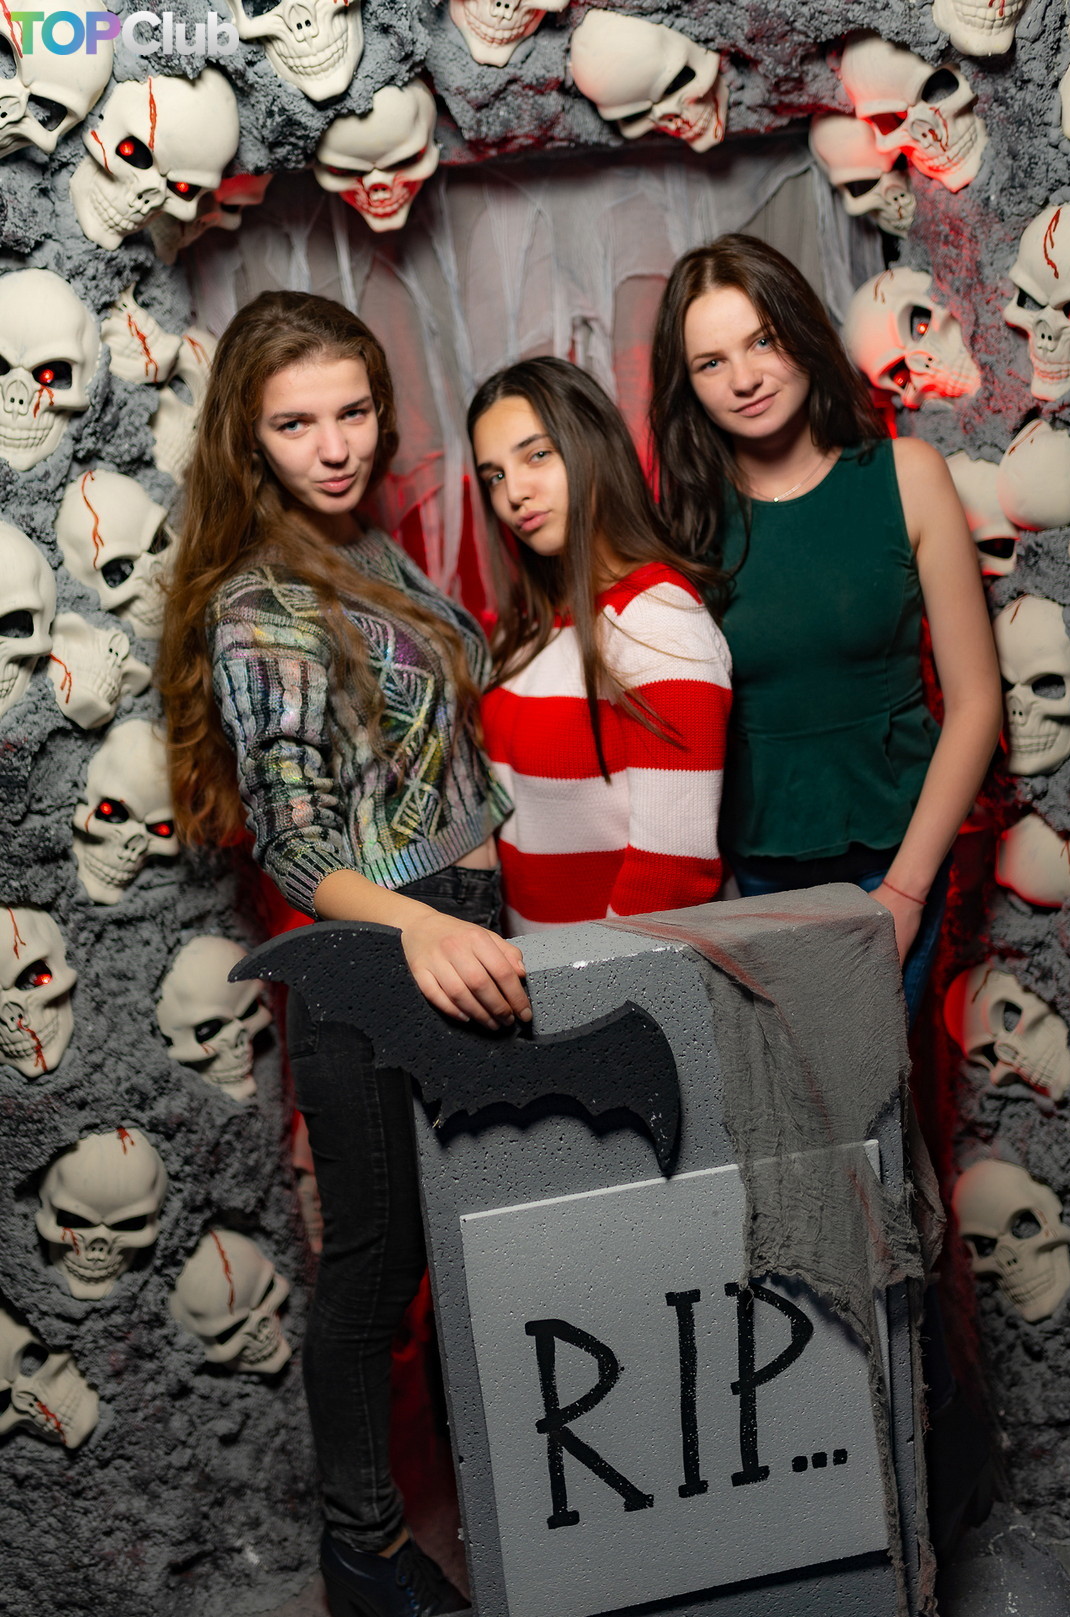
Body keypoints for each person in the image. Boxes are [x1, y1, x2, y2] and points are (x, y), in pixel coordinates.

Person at [158, 290, 529, 1617]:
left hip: (453, 932)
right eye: (297, 424)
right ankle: (363, 1553)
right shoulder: (264, 599)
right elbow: (297, 847)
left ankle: (503, 1520)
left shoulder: (366, 547)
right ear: (249, 441)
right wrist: (428, 923)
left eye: (354, 411)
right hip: (380, 958)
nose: (335, 447)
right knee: (376, 1273)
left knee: (470, 1247)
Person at [649, 234, 1002, 1015]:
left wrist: (905, 892)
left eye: (762, 341)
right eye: (711, 363)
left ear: (803, 331)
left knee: (873, 1081)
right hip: (750, 880)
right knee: (782, 1088)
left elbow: (978, 702)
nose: (744, 379)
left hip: (894, 860)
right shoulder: (682, 526)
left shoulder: (906, 476)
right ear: (688, 386)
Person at [468, 356, 733, 933]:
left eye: (537, 455)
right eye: (494, 475)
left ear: (593, 447)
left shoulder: (656, 617)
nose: (514, 493)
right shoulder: (528, 628)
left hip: (616, 977)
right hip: (533, 967)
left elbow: (673, 873)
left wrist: (594, 984)